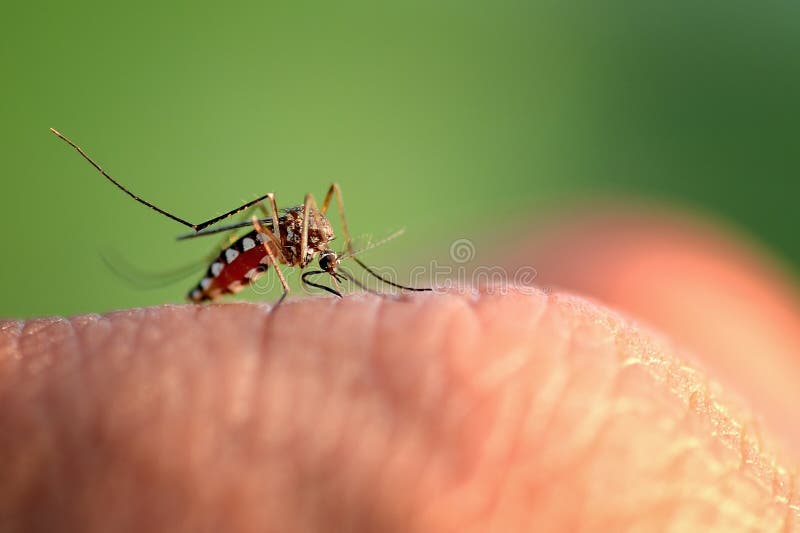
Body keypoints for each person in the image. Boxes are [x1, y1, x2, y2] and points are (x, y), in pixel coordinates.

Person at [1, 209, 798, 532]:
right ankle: (191, 250)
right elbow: (281, 233)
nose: (325, 256)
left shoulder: (322, 246)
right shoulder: (284, 245)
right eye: (325, 250)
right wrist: (267, 269)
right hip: (246, 251)